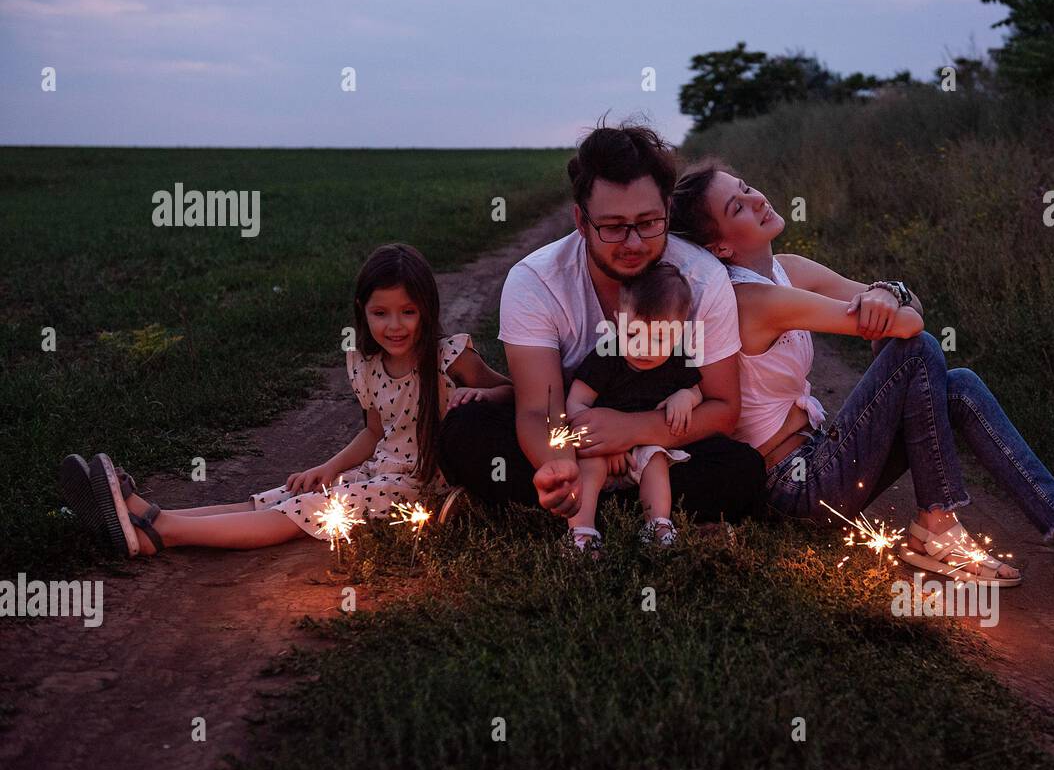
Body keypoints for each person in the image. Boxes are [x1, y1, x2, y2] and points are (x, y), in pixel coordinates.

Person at [667, 160, 1054, 593]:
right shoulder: (750, 298)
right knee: (918, 353)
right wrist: (885, 301)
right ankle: (937, 525)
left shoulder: (790, 269)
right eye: (737, 206)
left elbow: (906, 301)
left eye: (747, 188)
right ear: (719, 249)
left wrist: (885, 291)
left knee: (956, 384)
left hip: (821, 458)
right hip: (795, 490)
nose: (756, 200)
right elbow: (909, 325)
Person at [58, 243, 511, 556]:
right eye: (380, 313)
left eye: (408, 313)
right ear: (361, 310)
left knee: (296, 514)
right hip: (375, 472)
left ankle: (163, 534)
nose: (394, 326)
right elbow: (375, 432)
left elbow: (511, 391)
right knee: (273, 498)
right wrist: (329, 468)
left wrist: (480, 394)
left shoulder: (449, 357)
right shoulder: (366, 364)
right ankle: (143, 513)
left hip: (418, 489)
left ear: (427, 310)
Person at [437, 120, 766, 526]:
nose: (633, 243)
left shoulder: (700, 277)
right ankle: (621, 511)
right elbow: (539, 409)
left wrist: (631, 429)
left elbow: (722, 408)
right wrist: (559, 465)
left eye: (648, 223)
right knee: (465, 430)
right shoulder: (536, 280)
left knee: (742, 469)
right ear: (581, 221)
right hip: (571, 434)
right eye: (613, 227)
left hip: (657, 447)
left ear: (667, 210)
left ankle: (581, 517)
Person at [564, 262, 704, 553]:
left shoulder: (678, 359)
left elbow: (696, 390)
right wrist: (605, 446)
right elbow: (576, 404)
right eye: (632, 335)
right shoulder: (606, 355)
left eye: (659, 338)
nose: (643, 348)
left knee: (656, 460)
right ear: (618, 321)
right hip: (600, 449)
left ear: (680, 330)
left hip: (642, 450)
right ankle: (581, 532)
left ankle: (657, 525)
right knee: (589, 467)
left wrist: (686, 397)